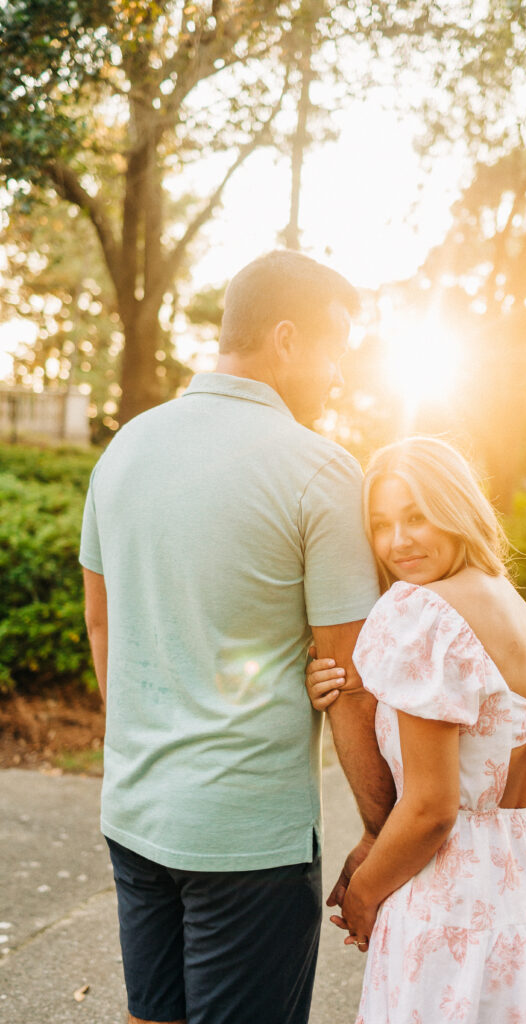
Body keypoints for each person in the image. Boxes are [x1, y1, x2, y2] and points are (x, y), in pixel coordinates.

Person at [79, 250, 395, 1024]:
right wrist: (381, 836)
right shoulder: (319, 470)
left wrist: (141, 750)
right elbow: (344, 674)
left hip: (135, 810)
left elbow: (101, 620)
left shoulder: (125, 449)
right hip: (247, 842)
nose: (337, 378)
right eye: (334, 352)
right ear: (286, 340)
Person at [306, 436, 526, 1024]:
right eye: (381, 523)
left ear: (458, 509)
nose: (399, 541)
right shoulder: (509, 602)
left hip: (455, 907)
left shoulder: (422, 614)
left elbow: (432, 809)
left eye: (417, 515)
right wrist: (348, 688)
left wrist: (365, 895)